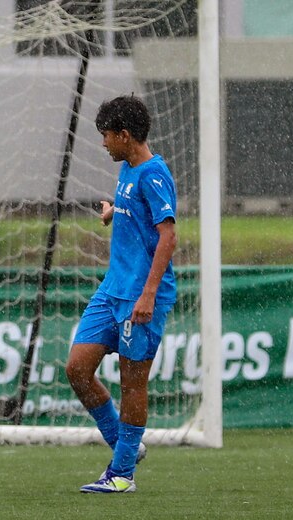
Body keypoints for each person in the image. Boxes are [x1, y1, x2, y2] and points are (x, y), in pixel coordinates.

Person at [66, 94, 177, 493]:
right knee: (77, 369)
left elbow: (168, 236)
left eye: (107, 136)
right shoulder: (129, 169)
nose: (103, 143)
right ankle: (125, 446)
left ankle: (122, 474)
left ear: (125, 135)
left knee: (132, 383)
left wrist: (148, 295)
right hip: (113, 289)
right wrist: (117, 212)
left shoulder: (153, 174)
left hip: (140, 296)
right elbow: (140, 213)